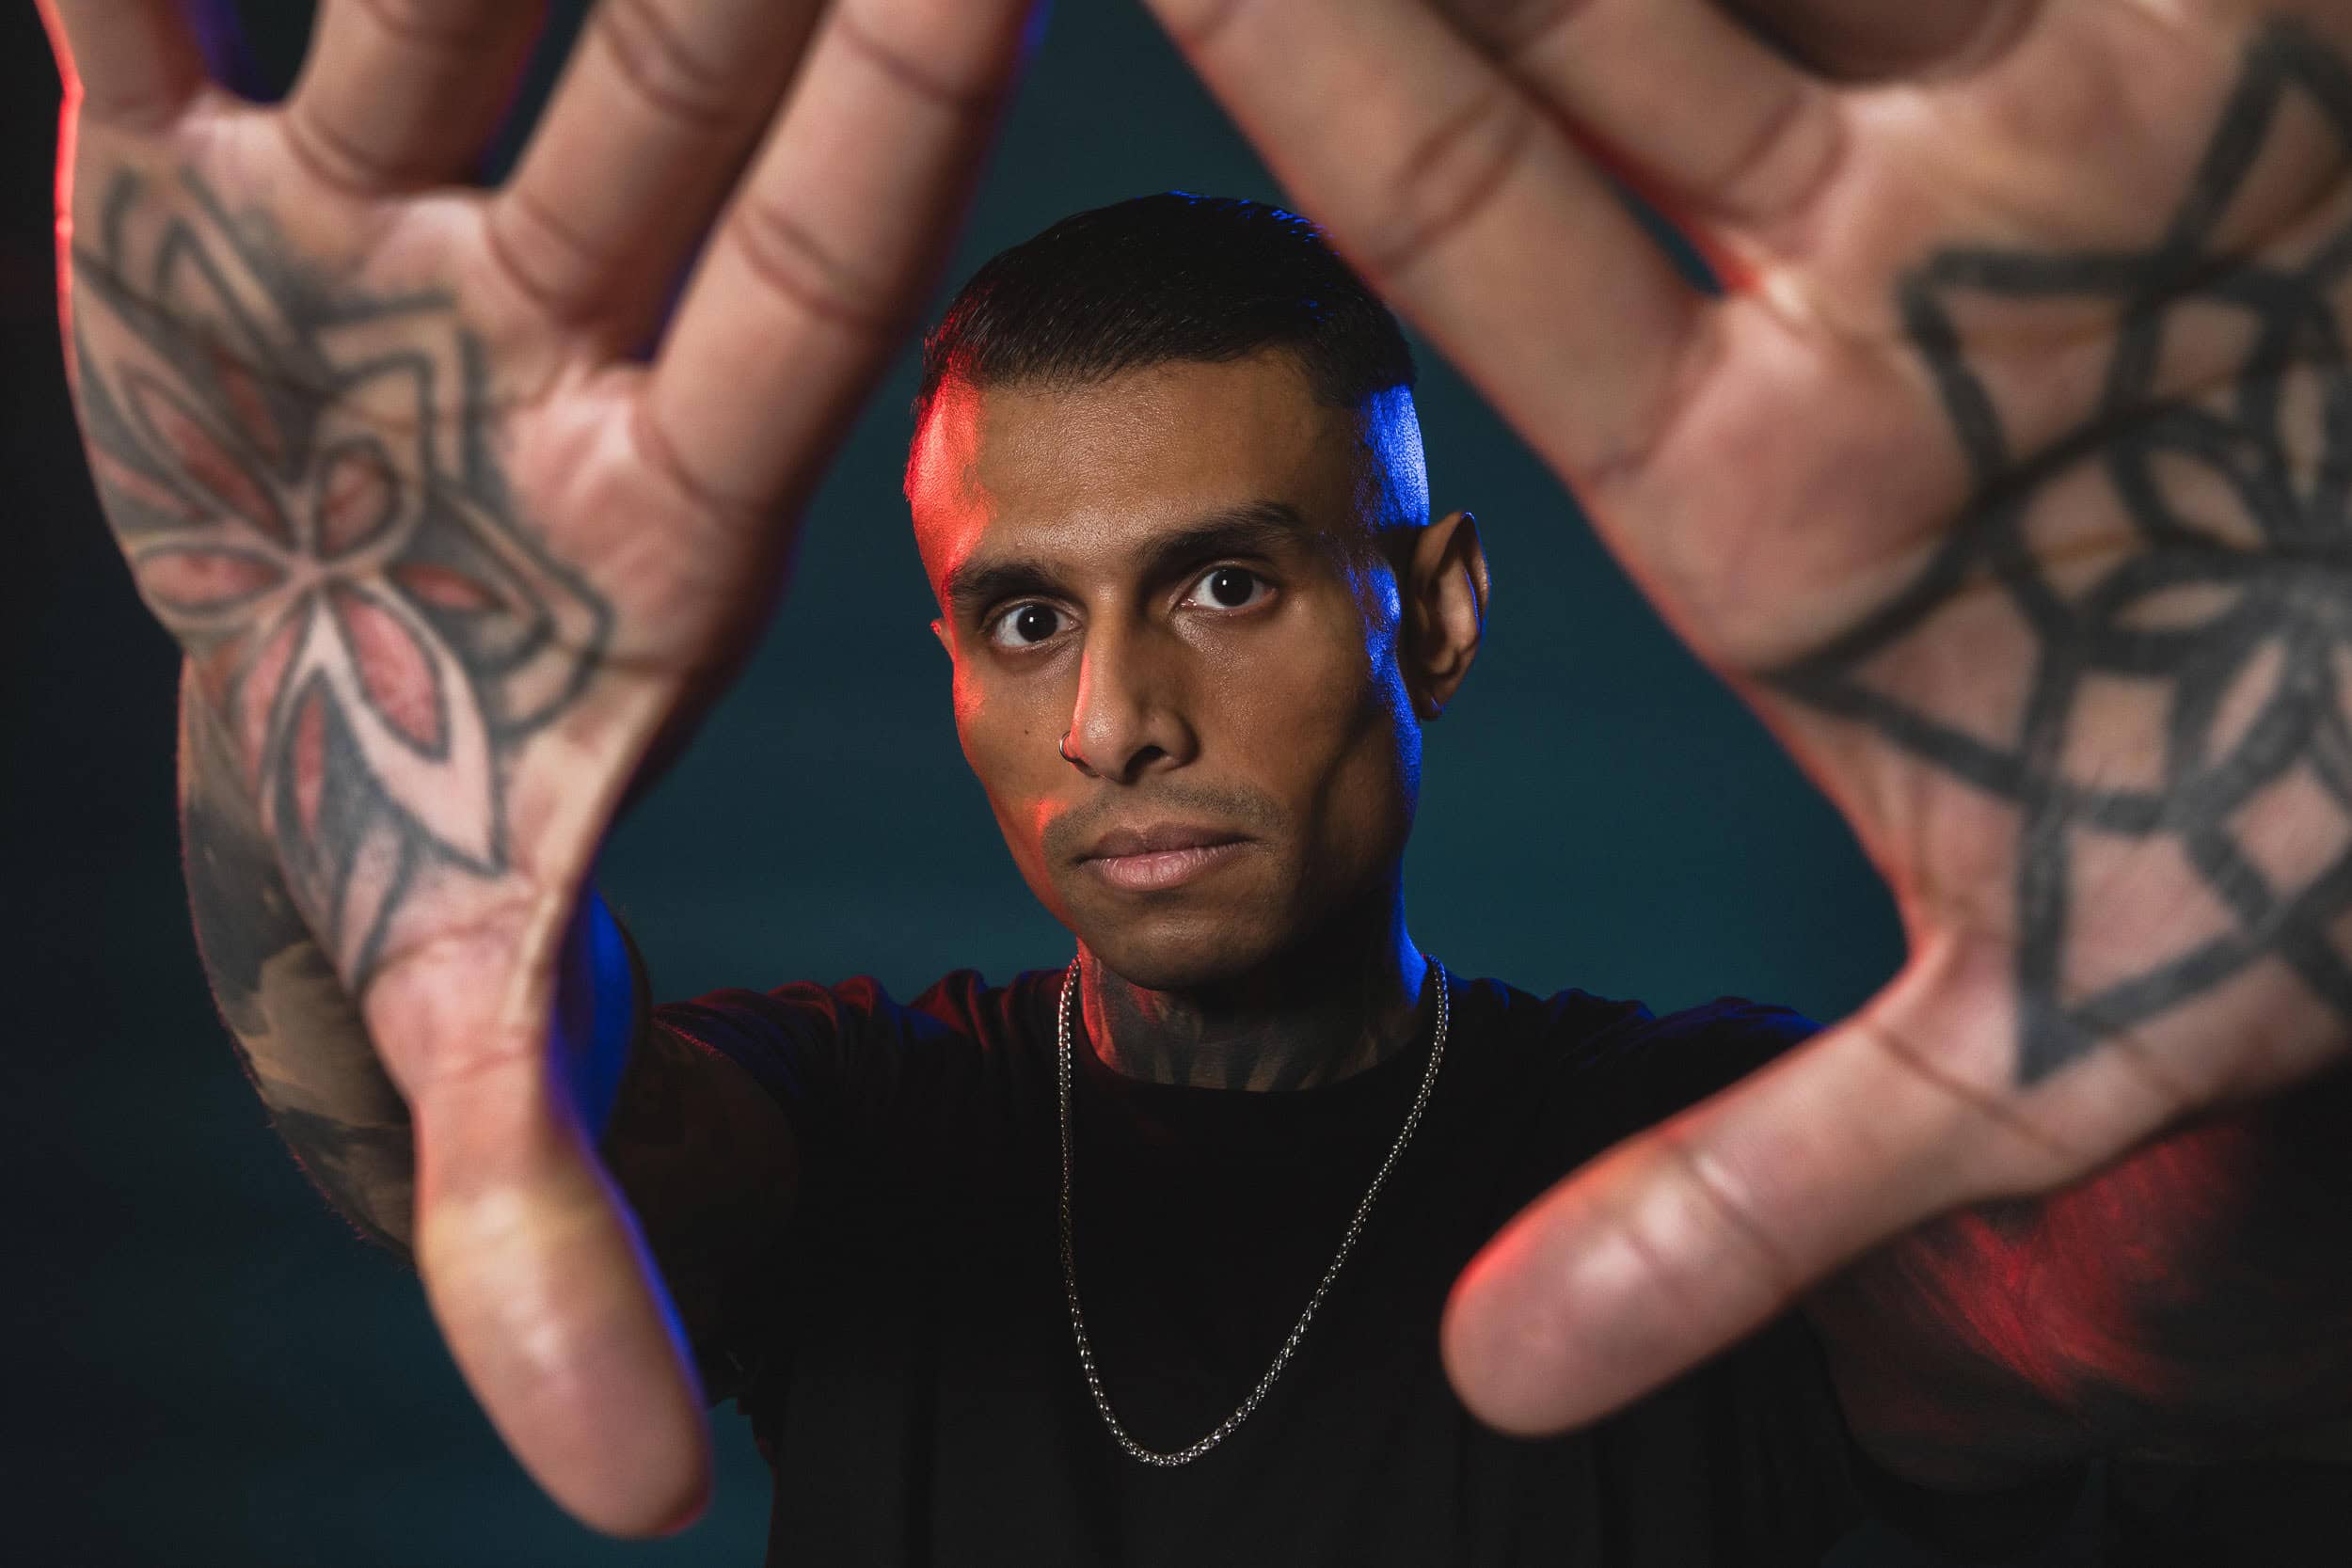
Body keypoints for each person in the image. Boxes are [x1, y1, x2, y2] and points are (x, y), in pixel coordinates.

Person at [37, 0, 2352, 1562]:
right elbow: (445, 1100)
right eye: (1026, 617)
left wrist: (2243, 890)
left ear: (1428, 613)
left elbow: (2130, 1318)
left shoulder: (1714, 1152)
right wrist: (298, 652)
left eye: (1222, 587)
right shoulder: (867, 1139)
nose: (1111, 720)